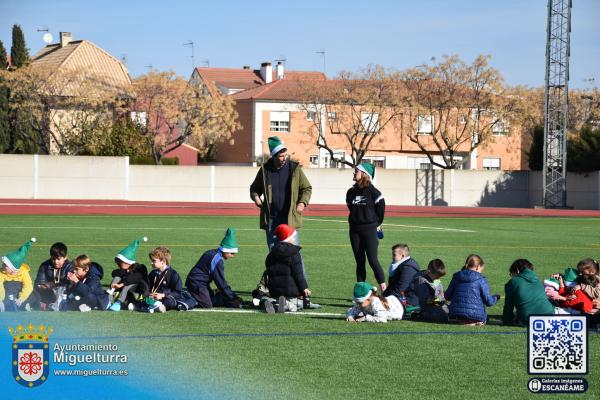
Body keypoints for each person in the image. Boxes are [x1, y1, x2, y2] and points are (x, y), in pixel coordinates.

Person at [249, 136, 312, 250]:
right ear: (273, 156)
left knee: (294, 255)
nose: (284, 158)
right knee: (274, 254)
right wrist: (256, 197)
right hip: (272, 220)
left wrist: (302, 202)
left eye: (285, 155)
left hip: (290, 219)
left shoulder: (294, 169)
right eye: (281, 156)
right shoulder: (265, 171)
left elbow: (306, 188)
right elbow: (254, 188)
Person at [346, 163, 386, 292]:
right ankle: (361, 291)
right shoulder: (351, 192)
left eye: (356, 171)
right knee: (360, 261)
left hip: (369, 230)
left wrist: (374, 224)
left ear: (364, 174)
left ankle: (385, 291)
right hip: (354, 230)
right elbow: (351, 207)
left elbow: (380, 211)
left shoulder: (374, 193)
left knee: (373, 260)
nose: (354, 173)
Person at [186, 228, 242, 309]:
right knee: (207, 305)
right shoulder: (217, 260)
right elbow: (220, 282)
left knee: (211, 299)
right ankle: (185, 294)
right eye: (232, 253)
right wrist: (232, 297)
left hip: (201, 283)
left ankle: (216, 295)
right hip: (196, 283)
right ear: (225, 250)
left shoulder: (213, 252)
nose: (233, 256)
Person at [262, 224, 311, 313]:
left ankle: (274, 303)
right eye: (293, 237)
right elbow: (298, 274)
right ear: (289, 238)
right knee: (297, 306)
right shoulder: (294, 253)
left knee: (279, 300)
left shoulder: (271, 254)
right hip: (290, 292)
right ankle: (284, 304)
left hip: (275, 291)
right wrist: (304, 288)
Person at [444, 254, 500, 326]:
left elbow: (447, 296)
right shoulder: (481, 279)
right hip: (476, 316)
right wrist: (496, 297)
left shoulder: (456, 276)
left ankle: (466, 321)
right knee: (486, 317)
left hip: (457, 315)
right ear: (478, 267)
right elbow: (489, 302)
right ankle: (476, 321)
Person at [502, 259, 555, 326]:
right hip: (550, 315)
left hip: (529, 320)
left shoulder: (513, 282)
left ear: (517, 271)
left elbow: (508, 306)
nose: (511, 276)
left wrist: (507, 322)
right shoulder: (537, 279)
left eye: (511, 274)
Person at [106, 237, 149, 311]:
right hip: (126, 286)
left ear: (127, 262)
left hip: (139, 289)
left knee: (127, 286)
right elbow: (114, 272)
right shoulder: (125, 269)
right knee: (116, 278)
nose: (118, 264)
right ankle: (108, 301)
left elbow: (134, 278)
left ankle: (119, 303)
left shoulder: (141, 268)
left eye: (120, 263)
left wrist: (121, 284)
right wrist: (126, 272)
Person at [144, 246, 185, 312]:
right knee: (142, 296)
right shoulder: (153, 272)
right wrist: (149, 293)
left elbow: (177, 292)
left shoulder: (173, 274)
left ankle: (159, 307)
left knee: (170, 301)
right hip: (153, 297)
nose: (151, 263)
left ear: (163, 261)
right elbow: (147, 286)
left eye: (154, 261)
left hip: (166, 298)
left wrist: (163, 295)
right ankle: (152, 306)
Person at [0, 238, 36, 312]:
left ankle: (25, 305)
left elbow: (28, 286)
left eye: (5, 265)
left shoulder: (23, 272)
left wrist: (21, 298)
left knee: (34, 295)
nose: (2, 266)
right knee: (8, 293)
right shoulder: (2, 272)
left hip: (20, 294)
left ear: (13, 268)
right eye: (3, 264)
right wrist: (0, 300)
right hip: (8, 293)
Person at [412, 259, 450, 323]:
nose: (438, 279)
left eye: (439, 277)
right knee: (442, 316)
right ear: (429, 271)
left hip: (436, 303)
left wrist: (444, 297)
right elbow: (425, 301)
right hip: (424, 306)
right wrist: (439, 300)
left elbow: (440, 293)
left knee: (453, 310)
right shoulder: (421, 281)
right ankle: (420, 315)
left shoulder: (435, 277)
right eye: (437, 277)